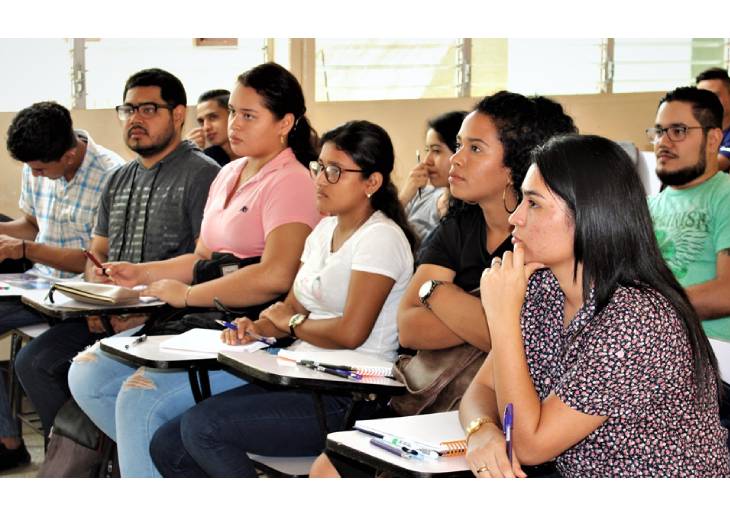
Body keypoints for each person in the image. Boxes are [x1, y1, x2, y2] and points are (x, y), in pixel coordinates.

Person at [67, 62, 323, 477]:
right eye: (234, 112)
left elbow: (275, 276)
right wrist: (143, 273)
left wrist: (186, 296)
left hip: (251, 331)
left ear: (285, 123)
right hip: (202, 320)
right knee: (88, 374)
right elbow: (202, 258)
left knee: (138, 398)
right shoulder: (228, 173)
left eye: (249, 115)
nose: (234, 124)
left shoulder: (291, 180)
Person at [311, 91, 577, 477]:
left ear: (513, 165)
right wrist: (459, 302)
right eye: (458, 146)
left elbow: (513, 337)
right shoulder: (458, 226)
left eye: (475, 148)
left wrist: (438, 295)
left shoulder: (542, 239)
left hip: (503, 416)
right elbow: (411, 327)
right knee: (327, 470)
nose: (455, 159)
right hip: (431, 402)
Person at [149, 120, 416, 477]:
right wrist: (256, 328)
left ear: (372, 182)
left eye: (334, 171)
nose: (319, 179)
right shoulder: (324, 229)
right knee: (167, 444)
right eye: (319, 167)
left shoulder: (380, 238)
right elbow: (291, 305)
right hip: (301, 374)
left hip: (348, 394)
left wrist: (291, 325)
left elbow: (351, 332)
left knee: (203, 428)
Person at [459, 134, 730, 478]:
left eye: (534, 204)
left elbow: (529, 446)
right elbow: (481, 390)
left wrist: (502, 317)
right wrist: (481, 429)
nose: (514, 218)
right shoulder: (543, 285)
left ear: (590, 215)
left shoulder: (638, 320)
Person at [14, 68, 220, 437]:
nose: (135, 120)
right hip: (108, 314)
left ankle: (115, 453)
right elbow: (97, 255)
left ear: (177, 114)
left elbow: (204, 267)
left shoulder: (203, 176)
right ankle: (82, 455)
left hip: (168, 320)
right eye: (128, 110)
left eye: (148, 109)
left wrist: (138, 311)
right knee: (35, 362)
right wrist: (98, 302)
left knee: (96, 375)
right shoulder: (119, 178)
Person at [0, 101, 124, 471]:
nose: (34, 176)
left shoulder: (111, 176)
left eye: (40, 169)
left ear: (70, 156)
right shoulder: (36, 162)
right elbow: (31, 224)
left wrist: (26, 249)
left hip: (83, 298)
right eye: (30, 169)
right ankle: (7, 440)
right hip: (37, 287)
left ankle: (74, 454)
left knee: (34, 362)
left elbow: (97, 263)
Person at [647, 87, 730, 343]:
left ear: (714, 139)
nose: (663, 142)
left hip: (701, 356)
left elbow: (729, 295)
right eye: (660, 131)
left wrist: (640, 309)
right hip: (642, 344)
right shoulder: (649, 205)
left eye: (678, 131)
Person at [397, 111, 466, 240]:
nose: (427, 161)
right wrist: (404, 196)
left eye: (436, 151)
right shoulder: (420, 196)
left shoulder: (470, 213)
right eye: (427, 150)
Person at [695, 67, 730, 171]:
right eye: (701, 96)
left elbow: (716, 165)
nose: (708, 102)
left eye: (715, 96)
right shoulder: (699, 127)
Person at [185, 89, 239, 166]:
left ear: (232, 114)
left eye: (213, 117)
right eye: (201, 121)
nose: (206, 127)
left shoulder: (257, 153)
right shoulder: (207, 158)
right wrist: (186, 154)